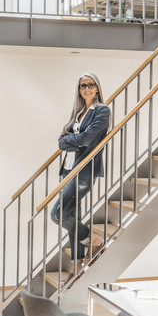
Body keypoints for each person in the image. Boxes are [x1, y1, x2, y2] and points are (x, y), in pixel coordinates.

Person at [51, 72, 110, 286]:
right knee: (71, 220)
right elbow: (61, 141)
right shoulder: (78, 112)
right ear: (79, 89)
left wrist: (71, 139)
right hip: (68, 170)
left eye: (91, 85)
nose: (86, 88)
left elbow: (86, 139)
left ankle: (94, 240)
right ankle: (76, 269)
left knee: (58, 215)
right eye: (83, 85)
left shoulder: (102, 111)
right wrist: (72, 140)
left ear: (97, 88)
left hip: (84, 170)